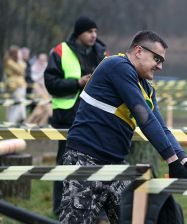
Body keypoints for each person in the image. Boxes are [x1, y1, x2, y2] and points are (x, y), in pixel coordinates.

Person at [59, 30, 187, 223]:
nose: (160, 66)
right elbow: (144, 118)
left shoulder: (147, 88)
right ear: (138, 51)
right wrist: (171, 161)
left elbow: (162, 128)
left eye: (162, 61)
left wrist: (184, 162)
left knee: (137, 218)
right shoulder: (117, 66)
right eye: (157, 58)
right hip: (85, 160)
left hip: (116, 165)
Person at [44, 16, 107, 217]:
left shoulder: (102, 52)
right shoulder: (60, 51)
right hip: (67, 118)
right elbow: (51, 84)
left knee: (95, 164)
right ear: (79, 33)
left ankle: (92, 208)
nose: (94, 35)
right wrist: (77, 83)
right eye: (89, 31)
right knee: (64, 165)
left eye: (95, 31)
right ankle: (59, 207)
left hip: (95, 118)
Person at [3, 45, 27, 123]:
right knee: (16, 103)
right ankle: (12, 121)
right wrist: (20, 60)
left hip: (20, 85)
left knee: (19, 103)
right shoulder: (9, 61)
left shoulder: (14, 62)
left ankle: (20, 118)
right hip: (14, 86)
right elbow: (21, 69)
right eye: (19, 53)